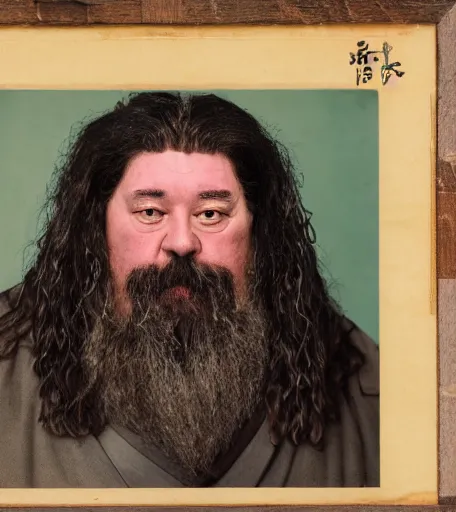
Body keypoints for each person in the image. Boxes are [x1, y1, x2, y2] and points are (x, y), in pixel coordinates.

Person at [0, 92, 379, 489]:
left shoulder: (374, 391)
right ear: (95, 229)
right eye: (150, 212)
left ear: (259, 234)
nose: (182, 242)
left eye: (210, 214)